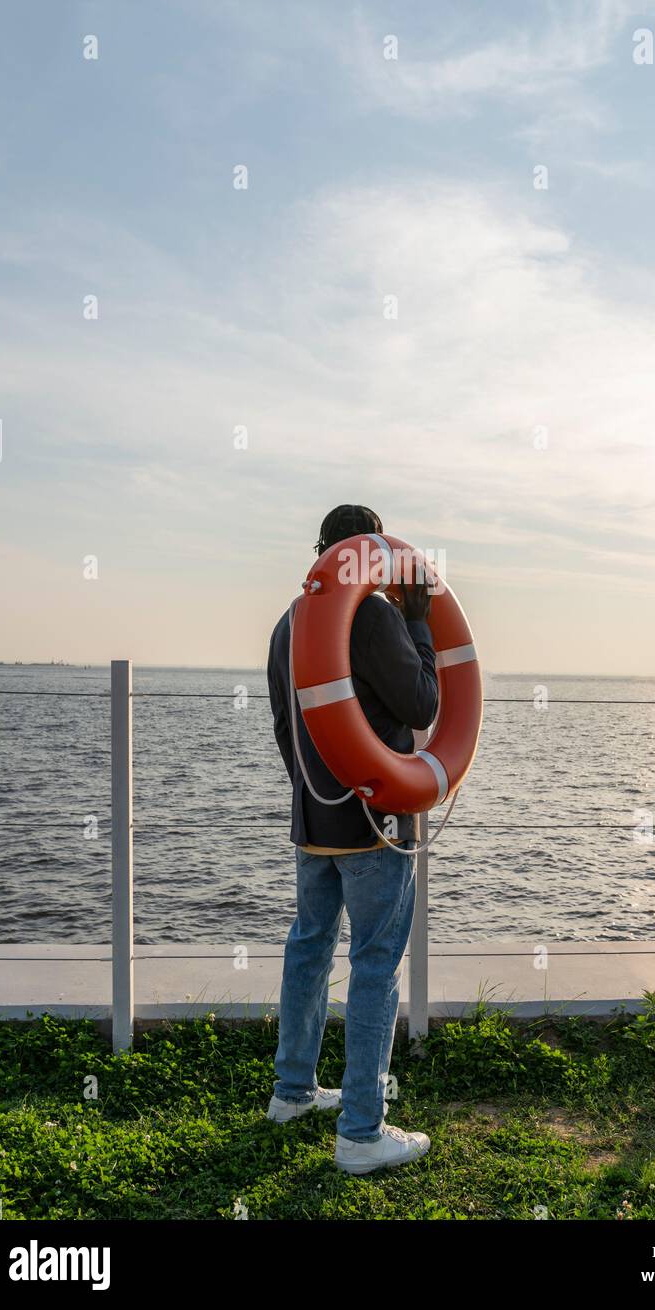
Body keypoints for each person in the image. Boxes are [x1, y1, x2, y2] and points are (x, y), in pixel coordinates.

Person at [265, 503, 438, 1174]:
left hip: (314, 820)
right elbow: (422, 703)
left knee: (307, 948)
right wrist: (417, 618)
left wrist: (315, 797)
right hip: (374, 822)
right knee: (374, 966)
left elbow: (286, 727)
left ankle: (292, 1092)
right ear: (370, 555)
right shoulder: (370, 614)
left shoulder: (289, 621)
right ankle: (361, 1133)